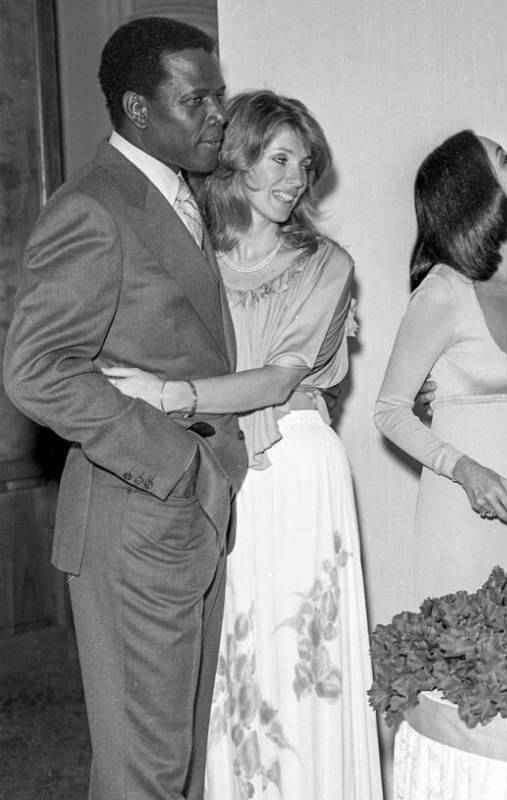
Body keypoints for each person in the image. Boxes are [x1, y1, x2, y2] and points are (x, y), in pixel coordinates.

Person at [103, 91, 381, 799]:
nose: (296, 176)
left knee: (298, 654)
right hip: (209, 466)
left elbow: (280, 377)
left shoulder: (327, 265)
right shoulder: (196, 256)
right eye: (280, 157)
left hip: (293, 466)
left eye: (306, 162)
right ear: (240, 159)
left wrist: (175, 395)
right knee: (228, 648)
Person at [1, 18, 248, 799]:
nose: (218, 114)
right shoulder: (94, 208)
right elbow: (35, 369)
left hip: (186, 511)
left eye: (221, 95)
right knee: (146, 772)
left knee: (179, 761)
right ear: (138, 107)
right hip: (137, 515)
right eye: (197, 99)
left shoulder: (176, 193)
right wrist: (172, 461)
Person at [374, 129, 507, 601]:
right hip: (467, 508)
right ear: (476, 192)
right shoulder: (443, 292)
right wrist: (466, 472)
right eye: (506, 158)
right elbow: (389, 411)